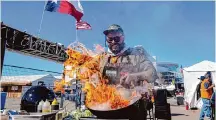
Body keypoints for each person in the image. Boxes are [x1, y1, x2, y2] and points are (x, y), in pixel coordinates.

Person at [100, 24, 158, 120]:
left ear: (123, 38)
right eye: (110, 39)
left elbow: (152, 73)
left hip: (134, 109)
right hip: (109, 108)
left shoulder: (135, 55)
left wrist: (134, 76)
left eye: (117, 38)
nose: (113, 41)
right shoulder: (103, 59)